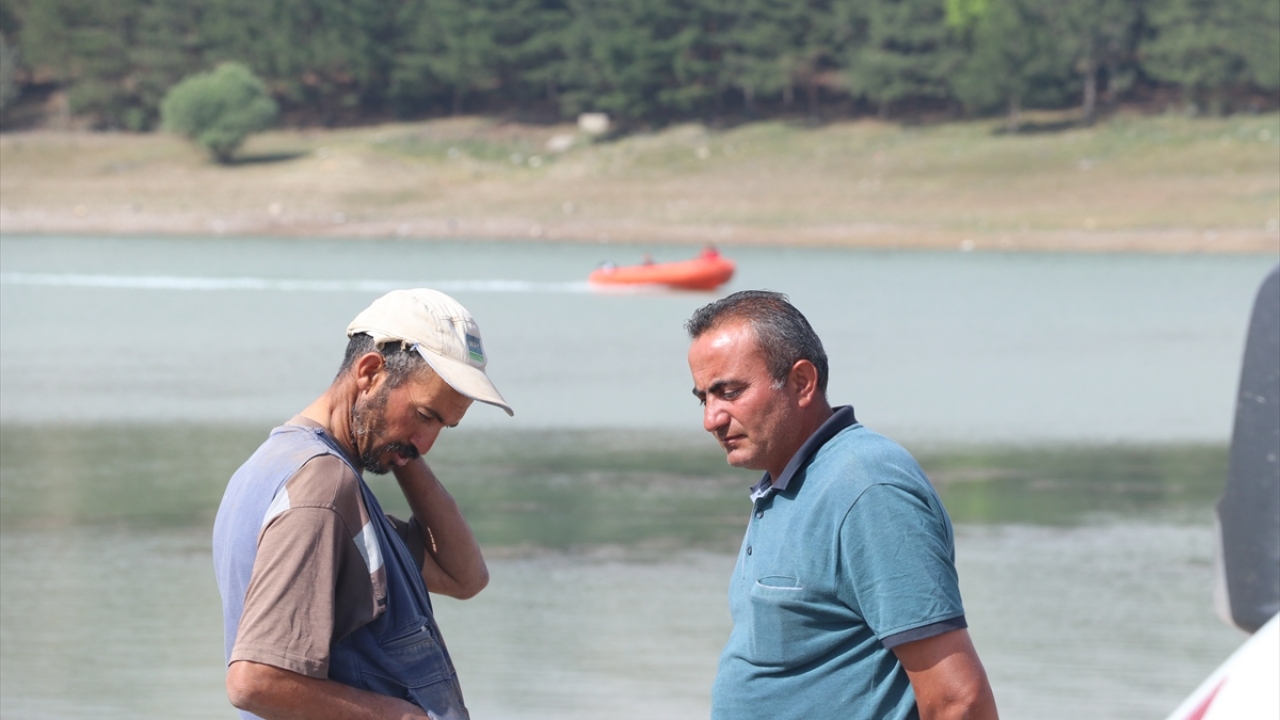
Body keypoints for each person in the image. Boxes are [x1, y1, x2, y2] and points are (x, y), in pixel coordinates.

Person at [685, 290, 997, 720]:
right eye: (704, 398)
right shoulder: (788, 484)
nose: (711, 419)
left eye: (730, 392)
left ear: (801, 382)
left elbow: (958, 701)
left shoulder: (867, 487)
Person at [213, 288, 513, 720]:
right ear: (369, 372)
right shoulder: (322, 486)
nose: (428, 442)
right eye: (426, 415)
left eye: (445, 425)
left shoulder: (280, 466)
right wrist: (403, 716)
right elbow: (256, 680)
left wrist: (403, 452)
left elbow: (464, 576)